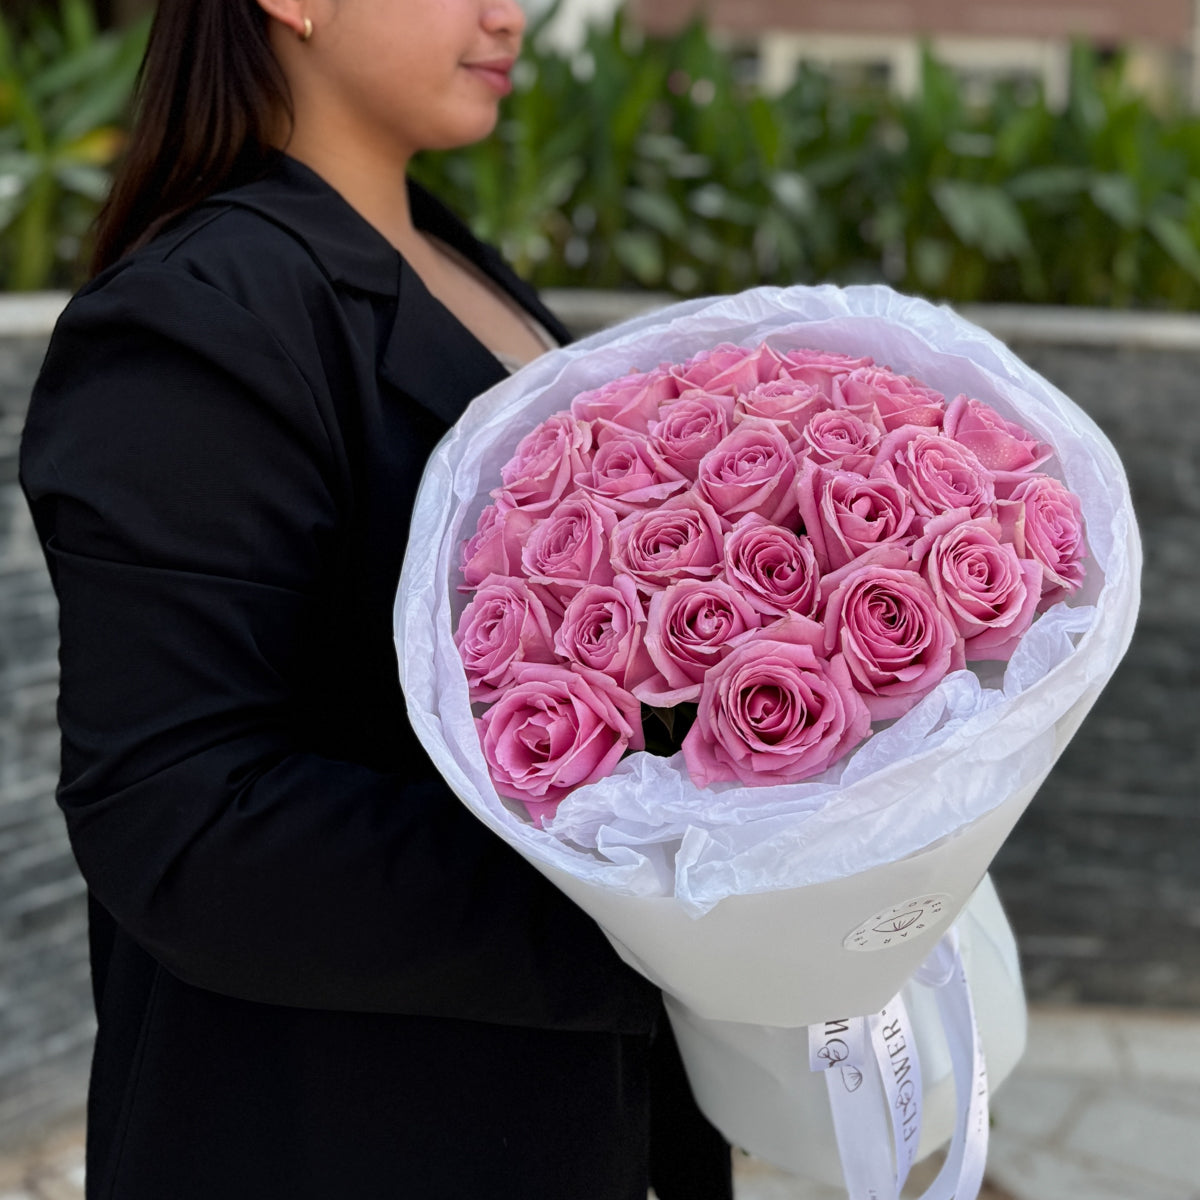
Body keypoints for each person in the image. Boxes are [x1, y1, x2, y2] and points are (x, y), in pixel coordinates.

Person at [19, 1, 735, 1197]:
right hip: (342, 1133)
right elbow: (185, 820)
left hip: (558, 1119)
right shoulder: (201, 313)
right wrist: (655, 911)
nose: (510, 13)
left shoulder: (444, 255)